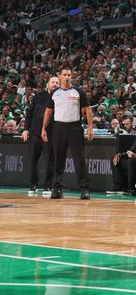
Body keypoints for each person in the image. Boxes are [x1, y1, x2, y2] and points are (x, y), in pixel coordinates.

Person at [41, 67, 93, 200]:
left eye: (69, 75)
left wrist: (90, 127)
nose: (67, 77)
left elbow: (87, 110)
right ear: (60, 76)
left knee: (79, 159)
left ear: (72, 76)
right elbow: (48, 111)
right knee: (58, 159)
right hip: (58, 128)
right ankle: (57, 189)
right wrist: (43, 128)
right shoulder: (54, 93)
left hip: (75, 128)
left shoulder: (78, 91)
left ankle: (85, 189)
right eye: (64, 74)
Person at [22, 75, 59, 194]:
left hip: (51, 135)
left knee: (50, 161)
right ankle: (33, 184)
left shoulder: (60, 98)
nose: (55, 84)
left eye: (57, 83)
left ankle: (48, 185)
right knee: (33, 160)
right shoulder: (38, 96)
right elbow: (29, 113)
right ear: (47, 84)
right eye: (53, 82)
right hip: (35, 133)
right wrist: (26, 129)